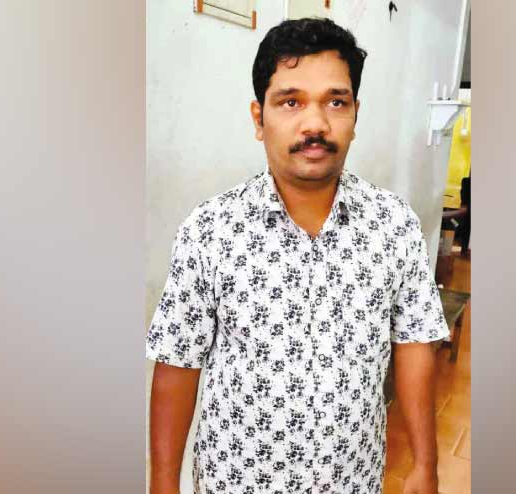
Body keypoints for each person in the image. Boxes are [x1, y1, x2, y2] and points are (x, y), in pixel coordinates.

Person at [147, 17, 449, 494]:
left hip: (351, 480)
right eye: (291, 102)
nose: (315, 124)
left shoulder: (395, 226)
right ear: (258, 118)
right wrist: (163, 483)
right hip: (234, 482)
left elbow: (413, 344)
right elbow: (177, 364)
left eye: (336, 102)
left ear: (355, 115)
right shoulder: (209, 231)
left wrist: (425, 464)